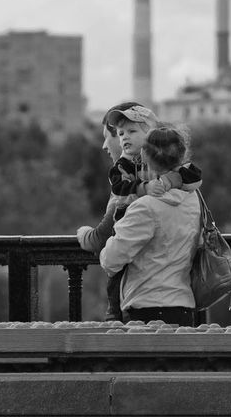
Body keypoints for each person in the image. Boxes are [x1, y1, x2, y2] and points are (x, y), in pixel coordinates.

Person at [77, 103, 202, 320]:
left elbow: (110, 258)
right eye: (119, 133)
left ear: (146, 150)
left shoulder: (143, 206)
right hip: (183, 304)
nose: (107, 145)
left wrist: (84, 234)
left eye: (131, 132)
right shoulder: (192, 198)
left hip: (147, 307)